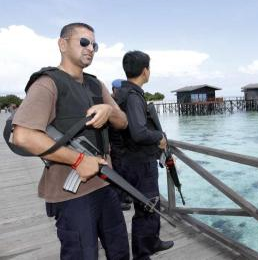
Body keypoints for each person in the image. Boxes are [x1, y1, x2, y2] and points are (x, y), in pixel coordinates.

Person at [12, 22, 130, 260]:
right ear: (62, 44)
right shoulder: (48, 83)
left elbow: (124, 122)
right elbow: (22, 135)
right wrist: (78, 159)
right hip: (71, 196)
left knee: (119, 251)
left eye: (94, 45)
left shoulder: (96, 84)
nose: (90, 48)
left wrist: (109, 109)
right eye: (84, 42)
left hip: (106, 184)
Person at [116, 50, 174, 260]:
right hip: (139, 162)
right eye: (149, 67)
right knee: (147, 207)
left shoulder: (123, 92)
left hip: (130, 160)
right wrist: (159, 135)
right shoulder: (133, 96)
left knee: (151, 204)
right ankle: (142, 254)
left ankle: (153, 241)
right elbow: (139, 132)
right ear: (144, 70)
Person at [109, 78, 132, 211]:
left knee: (125, 170)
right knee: (117, 171)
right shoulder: (110, 102)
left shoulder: (124, 101)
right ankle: (118, 199)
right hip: (115, 143)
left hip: (124, 143)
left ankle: (125, 195)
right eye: (119, 90)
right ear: (114, 90)